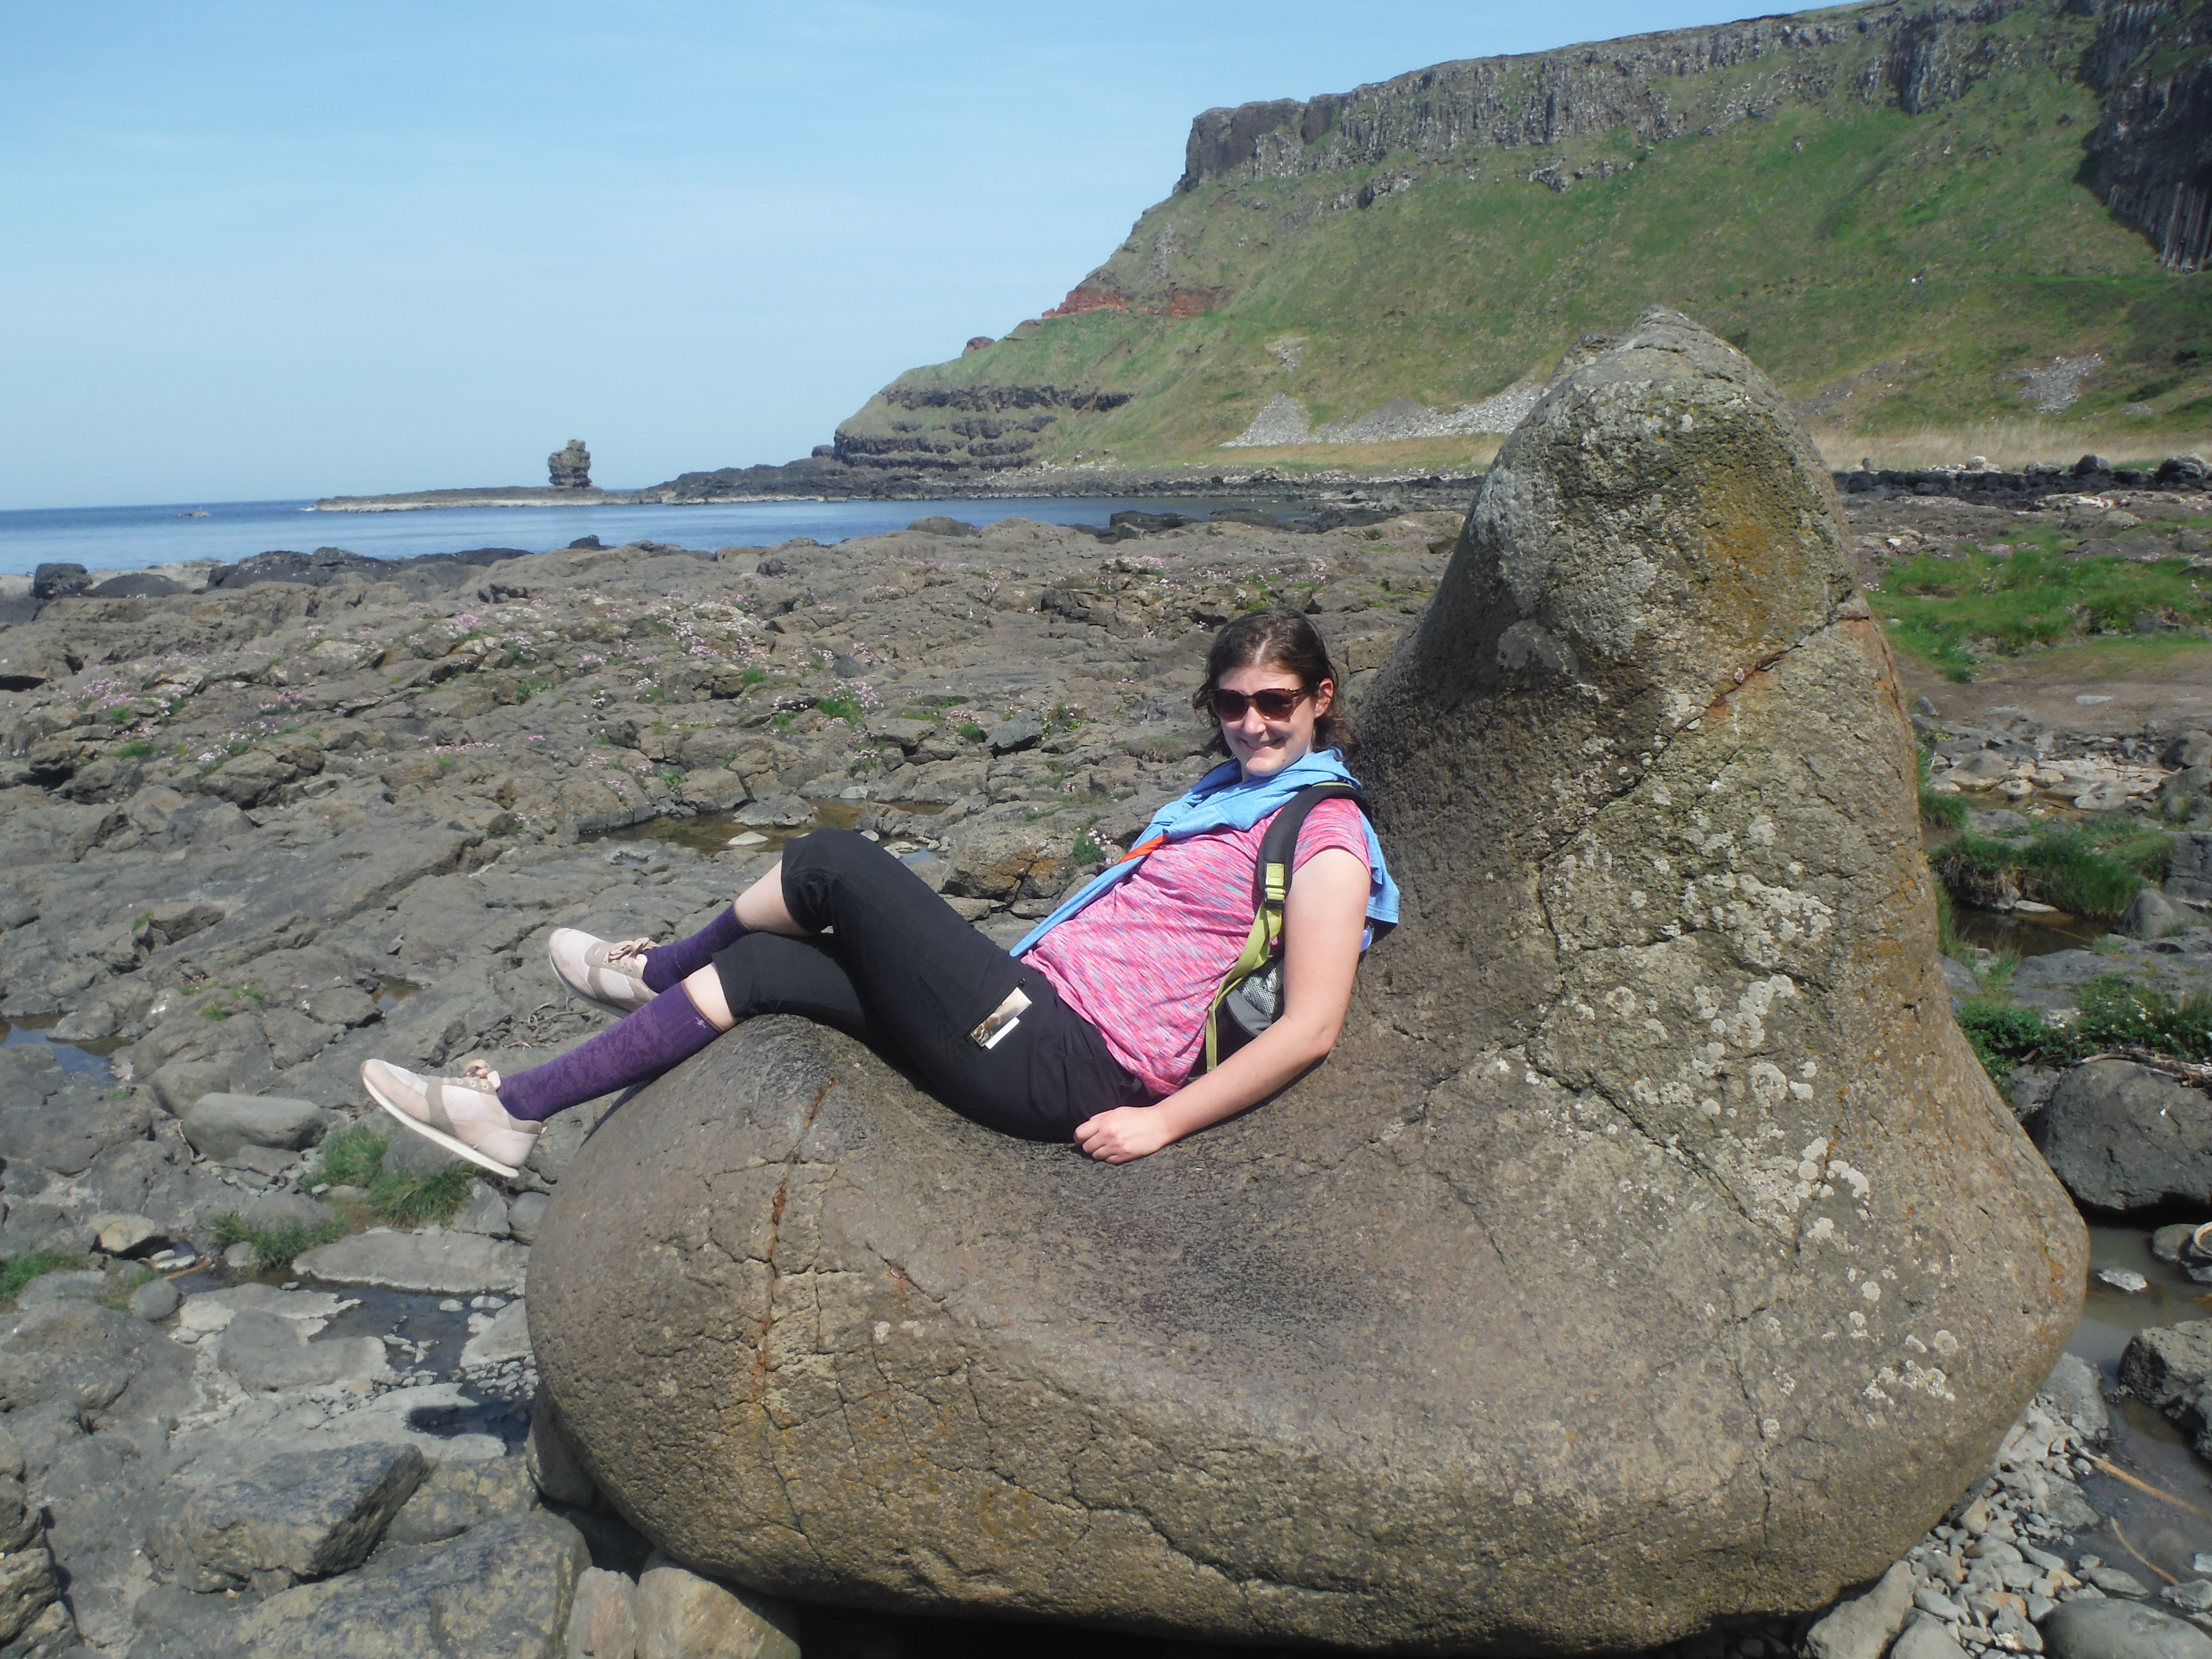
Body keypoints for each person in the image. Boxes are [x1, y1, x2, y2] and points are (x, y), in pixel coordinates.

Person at [359, 608, 1398, 1170]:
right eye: (1232, 703)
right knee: (770, 964)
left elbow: (1308, 1028)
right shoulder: (1217, 798)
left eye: (1274, 703)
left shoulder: (1326, 833)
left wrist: (1162, 1125)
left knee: (831, 865)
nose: (1252, 723)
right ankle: (517, 1113)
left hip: (1070, 1065)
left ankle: (655, 971)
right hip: (1022, 1006)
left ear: (1320, 700)